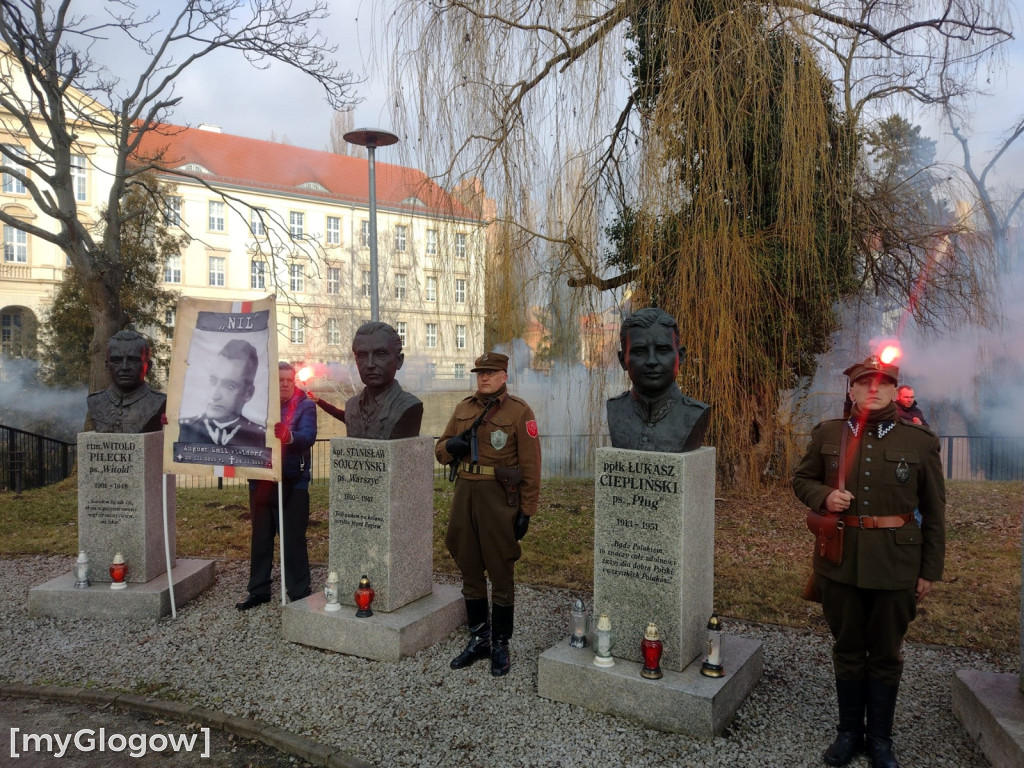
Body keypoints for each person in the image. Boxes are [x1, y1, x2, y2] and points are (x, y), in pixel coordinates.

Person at [792, 354, 945, 768]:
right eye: (864, 382)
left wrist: (929, 570)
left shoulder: (921, 442)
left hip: (897, 566)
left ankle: (879, 739)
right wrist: (823, 496)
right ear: (852, 389)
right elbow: (801, 479)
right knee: (846, 648)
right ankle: (847, 734)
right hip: (839, 563)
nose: (873, 389)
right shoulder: (829, 434)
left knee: (885, 653)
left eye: (882, 383)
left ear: (896, 390)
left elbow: (934, 512)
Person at [435, 352, 541, 676]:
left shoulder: (519, 412)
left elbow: (531, 466)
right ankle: (479, 638)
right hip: (464, 496)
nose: (483, 378)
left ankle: (500, 643)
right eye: (480, 372)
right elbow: (440, 451)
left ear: (504, 376)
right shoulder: (463, 409)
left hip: (498, 501)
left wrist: (526, 511)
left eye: (491, 373)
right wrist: (451, 446)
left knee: (500, 570)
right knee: (468, 565)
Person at [235, 362, 318, 610]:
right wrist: (173, 423)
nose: (284, 384)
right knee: (261, 537)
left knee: (292, 538)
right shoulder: (256, 405)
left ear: (294, 382)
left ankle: (299, 590)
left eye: (288, 380)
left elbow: (308, 436)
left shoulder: (306, 406)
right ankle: (258, 590)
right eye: (279, 380)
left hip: (294, 481)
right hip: (261, 478)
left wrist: (289, 436)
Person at [606, 307, 710, 453]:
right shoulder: (615, 409)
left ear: (680, 356)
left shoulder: (695, 413)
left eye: (662, 350)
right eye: (640, 351)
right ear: (623, 360)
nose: (652, 361)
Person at [331, 321, 423, 439]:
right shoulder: (351, 406)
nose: (370, 364)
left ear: (399, 361)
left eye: (380, 354)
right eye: (362, 355)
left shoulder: (409, 406)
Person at [178, 339, 266, 447]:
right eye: (213, 381)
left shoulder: (261, 437)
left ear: (248, 393)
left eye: (229, 386)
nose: (214, 395)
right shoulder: (183, 429)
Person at [86, 330, 166, 433]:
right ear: (107, 366)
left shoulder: (159, 401)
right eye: (116, 360)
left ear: (148, 366)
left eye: (133, 360)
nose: (124, 367)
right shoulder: (95, 401)